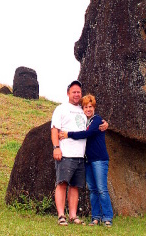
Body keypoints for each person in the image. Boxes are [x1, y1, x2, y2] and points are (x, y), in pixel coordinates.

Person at [51, 80, 107, 226]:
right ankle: (61, 215)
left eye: (79, 92)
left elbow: (93, 121)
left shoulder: (82, 111)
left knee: (75, 186)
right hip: (65, 153)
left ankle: (73, 215)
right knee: (62, 183)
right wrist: (56, 147)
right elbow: (54, 129)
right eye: (74, 91)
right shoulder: (61, 109)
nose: (76, 94)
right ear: (68, 93)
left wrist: (105, 123)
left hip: (80, 156)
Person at [59, 94, 113, 227]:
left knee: (101, 189)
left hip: (99, 159)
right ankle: (95, 217)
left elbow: (87, 134)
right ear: (82, 109)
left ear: (94, 107)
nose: (88, 109)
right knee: (93, 190)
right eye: (85, 107)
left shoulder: (97, 120)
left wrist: (68, 134)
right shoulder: (84, 121)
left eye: (90, 106)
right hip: (88, 160)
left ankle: (107, 217)